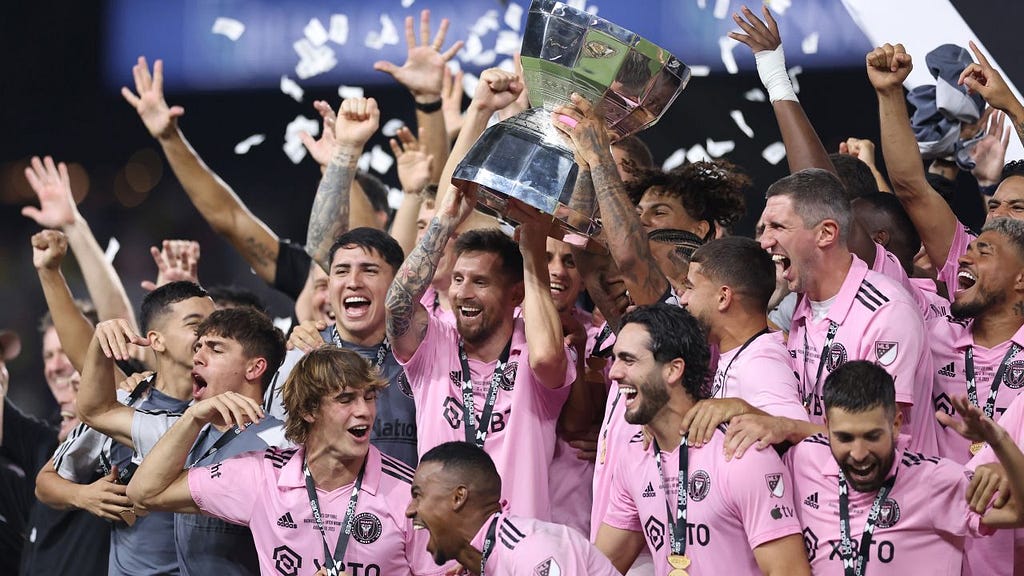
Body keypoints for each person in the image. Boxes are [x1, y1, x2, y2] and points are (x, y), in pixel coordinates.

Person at [128, 346, 443, 576]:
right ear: (309, 411)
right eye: (346, 399)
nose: (364, 411)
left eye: (369, 397)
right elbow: (145, 492)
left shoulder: (409, 494)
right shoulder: (262, 477)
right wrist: (194, 417)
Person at [386, 183, 574, 520]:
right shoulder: (435, 344)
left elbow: (547, 358)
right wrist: (443, 222)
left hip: (517, 555)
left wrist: (532, 250)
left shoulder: (533, 348)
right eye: (458, 279)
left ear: (515, 295)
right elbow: (398, 308)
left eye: (480, 282)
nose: (462, 293)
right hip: (436, 555)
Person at [595, 304, 809, 575]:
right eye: (615, 359)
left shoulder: (740, 454)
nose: (614, 373)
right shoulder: (635, 455)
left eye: (628, 360)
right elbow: (600, 566)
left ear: (673, 370)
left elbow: (790, 572)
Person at [78, 306, 287, 575]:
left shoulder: (282, 445)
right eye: (198, 346)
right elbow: (96, 411)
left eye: (216, 349)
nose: (197, 356)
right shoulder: (182, 431)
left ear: (254, 368)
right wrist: (99, 342)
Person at [758, 168, 938, 454]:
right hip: (820, 487)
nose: (765, 242)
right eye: (763, 229)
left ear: (826, 233)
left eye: (778, 227)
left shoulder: (886, 312)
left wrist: (788, 428)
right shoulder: (802, 303)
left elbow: (873, 438)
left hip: (888, 495)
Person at [786, 360, 1024, 574]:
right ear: (826, 427)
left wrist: (1000, 442)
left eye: (872, 436)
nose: (858, 454)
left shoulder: (935, 481)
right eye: (845, 438)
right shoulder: (804, 460)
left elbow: (1018, 513)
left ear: (896, 425)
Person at [264, 227, 420, 468]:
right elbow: (276, 458)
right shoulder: (300, 356)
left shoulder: (423, 355)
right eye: (341, 271)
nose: (353, 282)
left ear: (397, 282)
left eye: (369, 271)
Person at [406, 441, 619, 575]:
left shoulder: (532, 551)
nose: (410, 510)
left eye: (418, 495)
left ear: (458, 497)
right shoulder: (488, 560)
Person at [678, 236, 808, 423]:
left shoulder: (761, 363)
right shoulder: (740, 351)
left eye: (690, 287)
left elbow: (800, 432)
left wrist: (741, 408)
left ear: (723, 297)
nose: (683, 299)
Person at [930, 218, 1024, 462]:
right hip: (936, 497)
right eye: (967, 250)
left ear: (1021, 278)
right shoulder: (933, 336)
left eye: (984, 253)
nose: (963, 259)